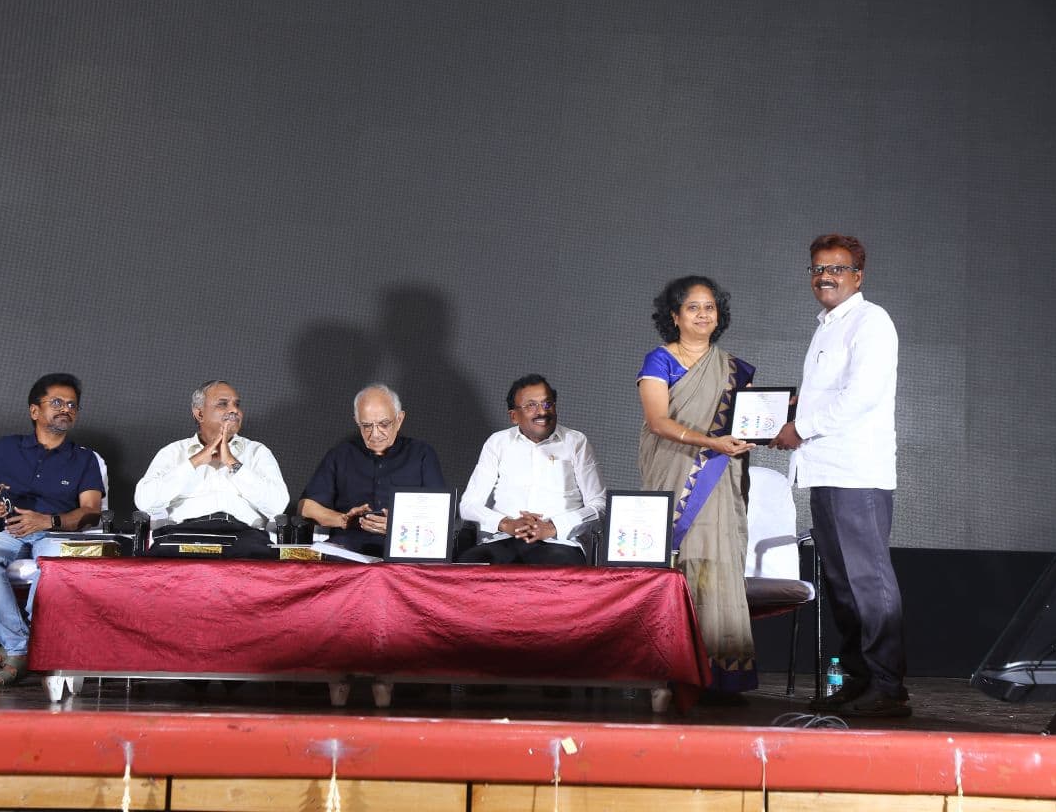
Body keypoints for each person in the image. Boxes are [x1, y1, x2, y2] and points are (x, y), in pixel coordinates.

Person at [770, 234, 910, 718]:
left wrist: (800, 427)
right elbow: (830, 394)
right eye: (817, 268)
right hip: (823, 471)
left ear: (858, 276)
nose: (825, 276)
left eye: (836, 268)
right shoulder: (826, 327)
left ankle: (888, 687)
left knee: (867, 579)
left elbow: (862, 395)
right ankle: (860, 678)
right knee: (842, 582)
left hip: (857, 473)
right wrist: (792, 409)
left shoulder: (871, 321)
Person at [0, 373, 105, 688]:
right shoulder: (7, 448)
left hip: (57, 535)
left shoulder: (84, 459)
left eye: (72, 405)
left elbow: (91, 511)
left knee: (55, 565)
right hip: (12, 533)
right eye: (57, 402)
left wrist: (48, 521)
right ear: (34, 410)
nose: (66, 409)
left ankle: (17, 650)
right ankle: (24, 646)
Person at [637, 276, 758, 695]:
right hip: (674, 472)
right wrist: (711, 442)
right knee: (680, 566)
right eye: (693, 307)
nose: (703, 314)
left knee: (718, 563)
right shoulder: (659, 361)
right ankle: (674, 671)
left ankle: (721, 674)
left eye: (710, 307)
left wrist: (773, 421)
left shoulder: (734, 369)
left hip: (720, 480)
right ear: (674, 316)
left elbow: (748, 422)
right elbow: (658, 422)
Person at [458, 374, 606, 565]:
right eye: (531, 405)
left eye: (547, 404)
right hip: (504, 538)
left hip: (558, 542)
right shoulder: (497, 443)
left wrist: (552, 527)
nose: (542, 412)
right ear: (514, 416)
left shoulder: (576, 442)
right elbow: (468, 505)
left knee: (558, 569)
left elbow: (599, 504)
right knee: (470, 564)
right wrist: (507, 524)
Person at [134, 380, 289, 556]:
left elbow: (277, 505)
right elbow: (145, 501)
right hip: (182, 539)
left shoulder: (256, 452)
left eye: (237, 404)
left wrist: (232, 462)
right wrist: (195, 461)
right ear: (199, 413)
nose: (234, 410)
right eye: (223, 404)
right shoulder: (173, 452)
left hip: (243, 540)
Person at [298, 383, 446, 557]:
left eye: (384, 424)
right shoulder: (341, 454)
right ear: (357, 422)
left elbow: (441, 513)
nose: (375, 434)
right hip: (348, 547)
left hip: (404, 547)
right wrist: (343, 520)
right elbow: (305, 507)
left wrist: (399, 525)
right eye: (367, 425)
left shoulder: (421, 454)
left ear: (399, 419)